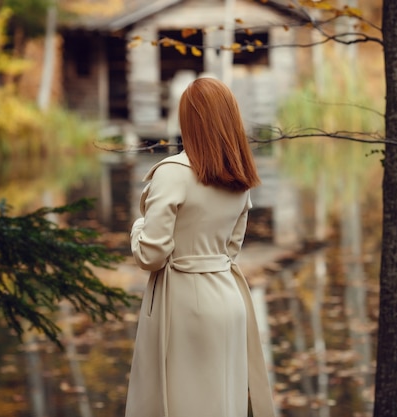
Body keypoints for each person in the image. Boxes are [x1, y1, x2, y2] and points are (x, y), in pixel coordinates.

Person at [125, 77, 276, 417]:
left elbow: (151, 255)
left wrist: (137, 228)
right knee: (223, 403)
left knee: (185, 405)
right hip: (229, 298)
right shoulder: (240, 178)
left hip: (185, 307)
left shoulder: (172, 174)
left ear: (188, 121)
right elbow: (231, 248)